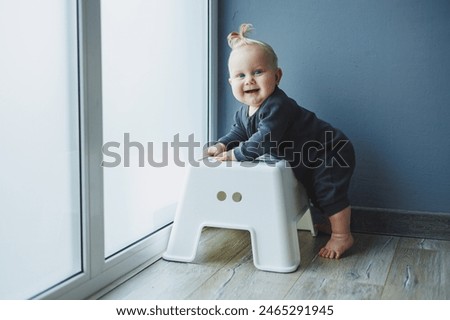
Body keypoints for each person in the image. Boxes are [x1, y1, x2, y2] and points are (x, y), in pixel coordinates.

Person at [207, 23, 356, 259]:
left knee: (329, 191)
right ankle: (333, 223)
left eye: (258, 72)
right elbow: (238, 134)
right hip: (309, 157)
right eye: (240, 75)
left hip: (329, 150)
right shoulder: (244, 112)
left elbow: (264, 140)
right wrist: (221, 145)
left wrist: (235, 155)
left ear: (276, 76)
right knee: (318, 192)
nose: (249, 80)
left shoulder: (278, 105)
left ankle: (342, 235)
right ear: (231, 83)